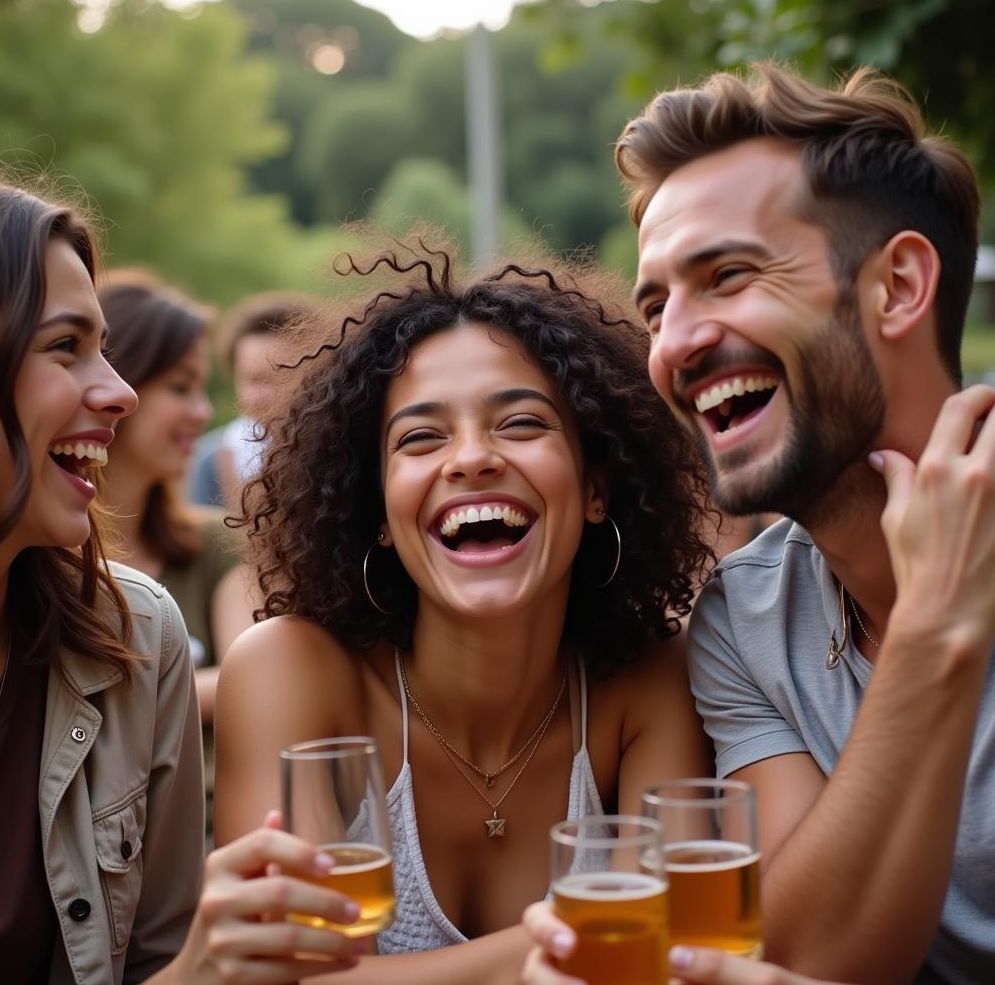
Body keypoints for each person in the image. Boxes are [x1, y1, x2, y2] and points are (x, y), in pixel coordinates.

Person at [526, 62, 994, 984]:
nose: (674, 346)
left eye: (727, 276)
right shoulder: (742, 618)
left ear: (897, 286)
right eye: (656, 308)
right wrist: (932, 633)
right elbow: (804, 957)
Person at [214, 243, 716, 981]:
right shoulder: (289, 670)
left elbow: (680, 956)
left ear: (598, 484)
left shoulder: (649, 678)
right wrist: (600, 929)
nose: (471, 458)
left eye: (520, 424)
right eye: (420, 437)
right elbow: (288, 975)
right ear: (378, 510)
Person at [0, 169, 385, 983]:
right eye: (65, 347)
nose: (119, 393)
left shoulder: (138, 637)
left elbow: (153, 961)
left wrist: (203, 968)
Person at [97, 271, 255, 725]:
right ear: (119, 387)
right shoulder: (41, 558)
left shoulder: (216, 544)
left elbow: (247, 681)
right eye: (180, 388)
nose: (203, 411)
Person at [187, 292, 315, 511]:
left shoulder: (344, 455)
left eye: (284, 378)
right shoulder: (204, 463)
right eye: (255, 380)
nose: (269, 396)